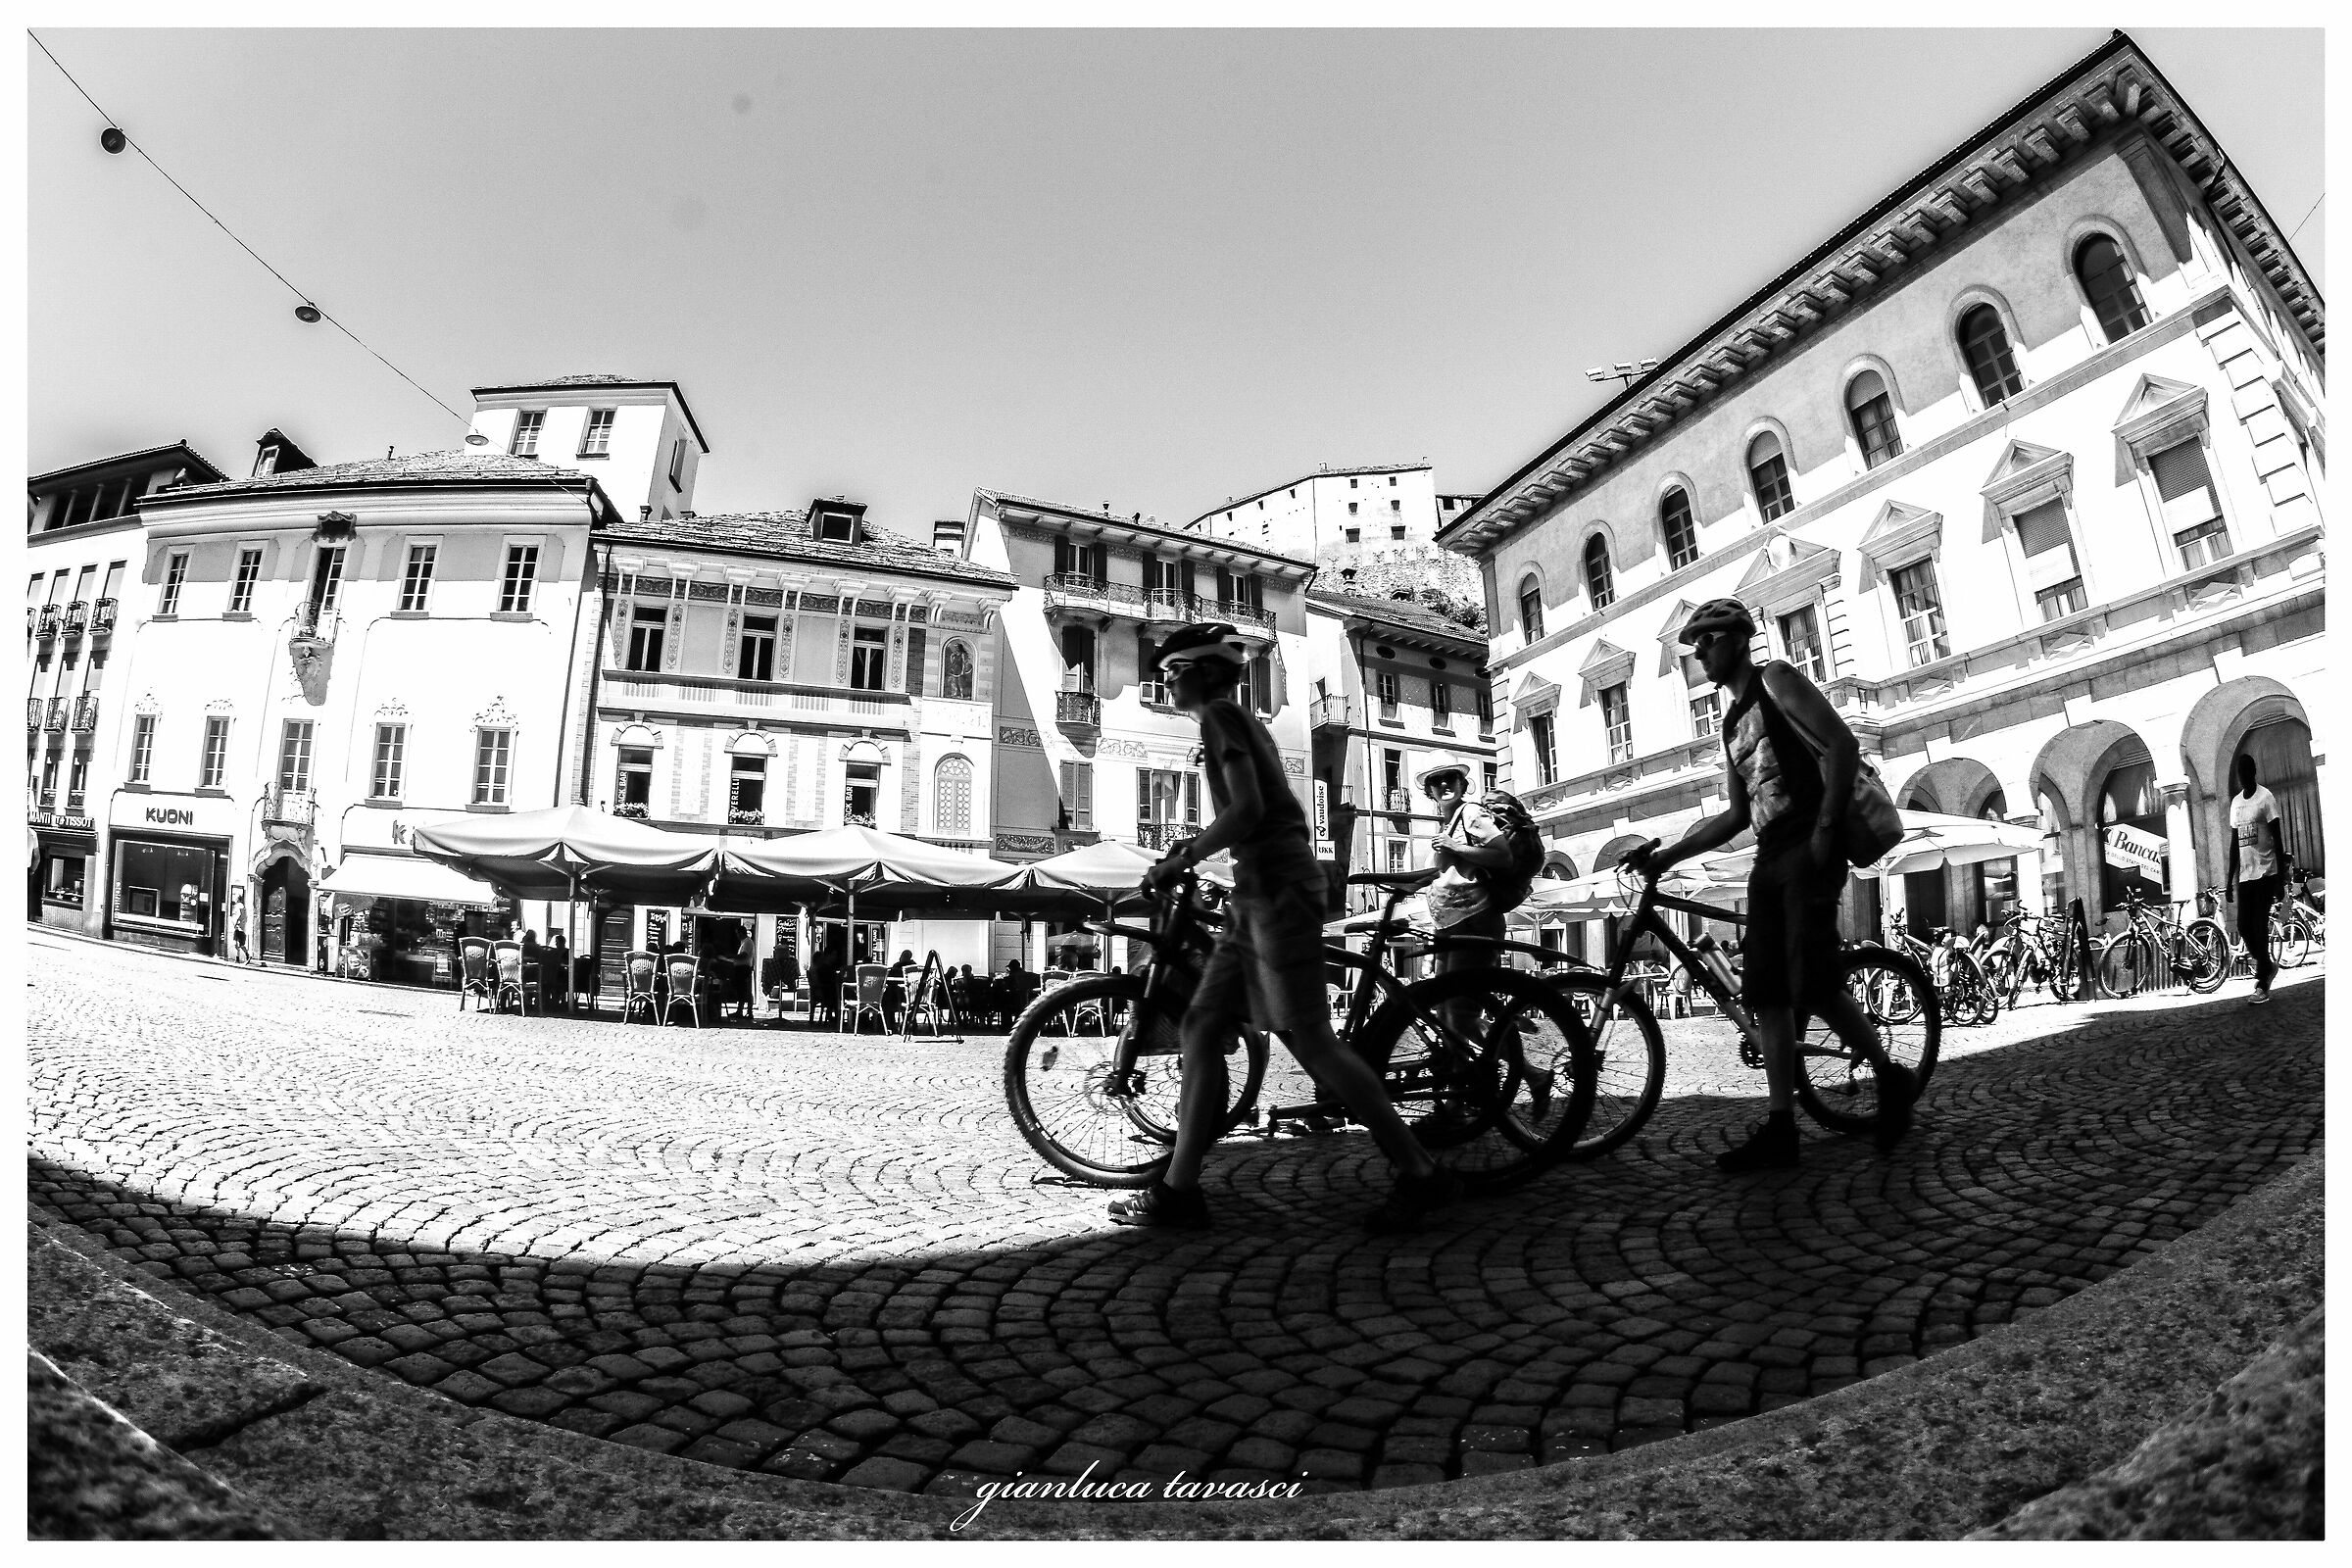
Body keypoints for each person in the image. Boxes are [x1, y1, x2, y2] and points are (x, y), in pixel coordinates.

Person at [1117, 621, 1460, 1232]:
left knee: (1307, 1036)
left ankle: (1419, 1170)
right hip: (1258, 892)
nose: (1164, 682)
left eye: (1171, 672)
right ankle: (1179, 1190)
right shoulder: (1230, 723)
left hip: (1277, 890)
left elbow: (1249, 809)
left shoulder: (1223, 719)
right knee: (1200, 1026)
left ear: (1202, 672)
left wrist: (1183, 858)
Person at [1626, 598, 1918, 1170]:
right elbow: (1736, 815)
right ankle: (1782, 1125)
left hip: (1812, 841)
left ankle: (1889, 1076)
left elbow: (1841, 745)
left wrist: (1826, 831)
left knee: (1809, 980)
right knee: (1766, 992)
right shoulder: (1730, 723)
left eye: (1706, 640)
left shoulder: (1777, 678)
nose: (1699, 653)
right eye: (1695, 645)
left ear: (1737, 637)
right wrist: (1668, 855)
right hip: (1770, 855)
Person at [2225, 753, 2290, 1005]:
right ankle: (2267, 965)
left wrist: (2280, 876)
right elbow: (2234, 843)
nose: (2242, 777)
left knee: (2260, 927)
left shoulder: (2266, 798)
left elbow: (2277, 836)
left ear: (2253, 772)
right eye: (2239, 773)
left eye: (2245, 772)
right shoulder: (2236, 803)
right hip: (2244, 875)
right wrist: (2229, 879)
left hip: (2265, 872)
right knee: (2243, 925)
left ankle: (2262, 984)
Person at [229, 891, 255, 966]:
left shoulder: (239, 906)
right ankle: (237, 958)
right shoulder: (242, 906)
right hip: (240, 928)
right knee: (237, 944)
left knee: (240, 944)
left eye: (236, 897)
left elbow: (238, 915)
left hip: (239, 928)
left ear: (238, 899)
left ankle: (248, 955)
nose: (234, 898)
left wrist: (236, 923)